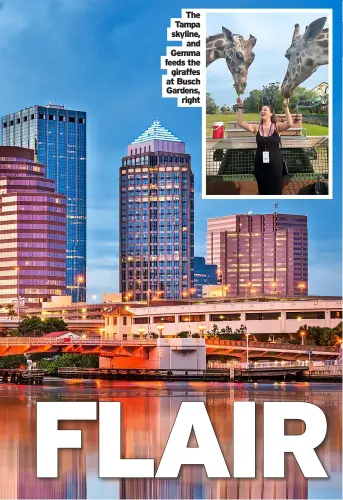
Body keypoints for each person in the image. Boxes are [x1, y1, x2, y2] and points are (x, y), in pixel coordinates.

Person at [236, 97, 293, 195]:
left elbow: (290, 123)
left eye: (265, 110)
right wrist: (240, 107)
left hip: (276, 165)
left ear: (271, 114)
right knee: (263, 190)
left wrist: (286, 107)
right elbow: (240, 123)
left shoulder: (277, 127)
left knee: (276, 190)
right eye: (261, 110)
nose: (262, 111)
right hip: (260, 166)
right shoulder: (256, 128)